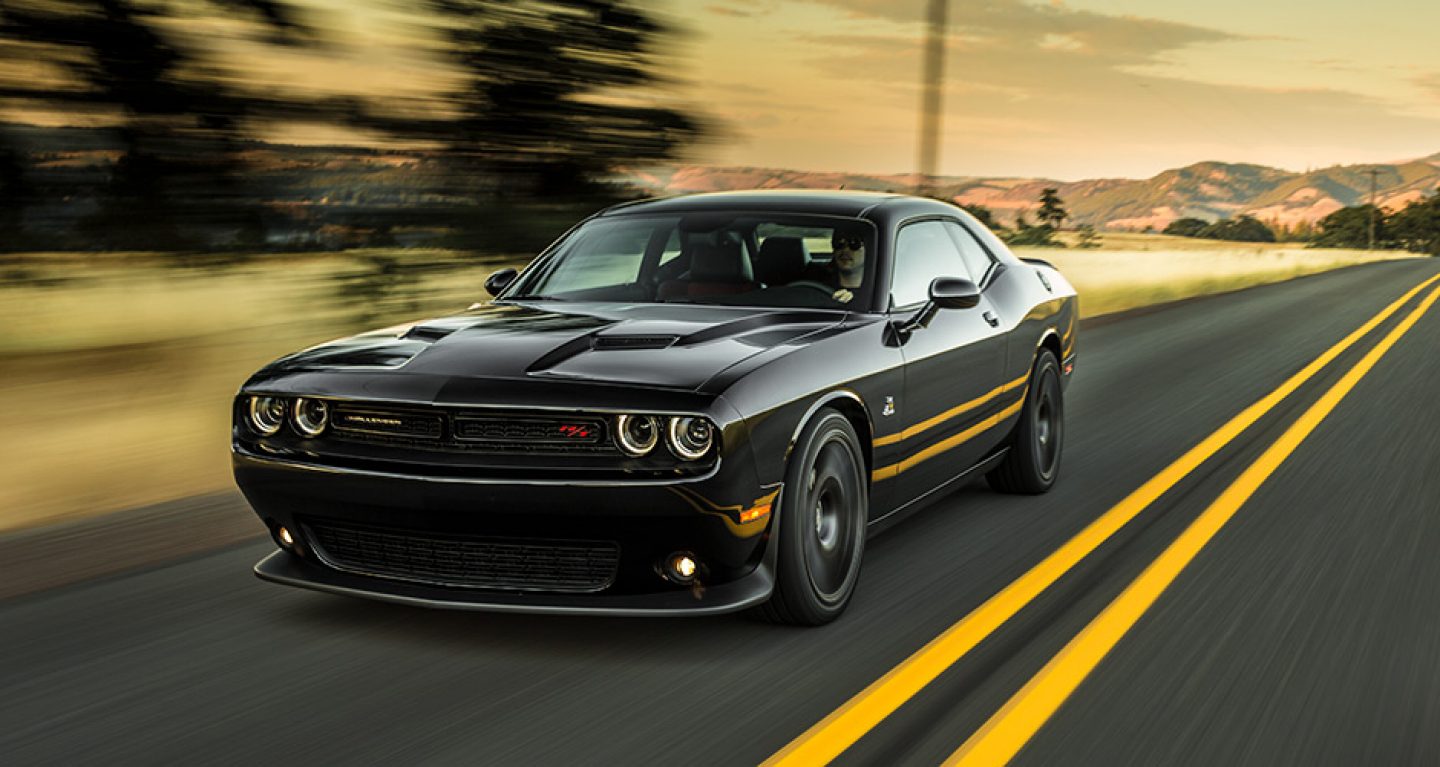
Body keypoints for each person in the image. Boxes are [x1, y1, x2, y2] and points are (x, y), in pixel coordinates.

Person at [825, 228, 866, 304]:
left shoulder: (878, 294)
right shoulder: (818, 286)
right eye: (839, 243)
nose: (845, 250)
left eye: (854, 244)